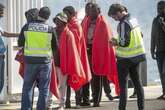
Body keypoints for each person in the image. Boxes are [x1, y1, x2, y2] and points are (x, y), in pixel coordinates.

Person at [18, 7, 58, 110]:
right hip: (45, 62)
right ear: (48, 17)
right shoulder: (50, 29)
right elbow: (55, 47)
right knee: (44, 88)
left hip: (30, 62)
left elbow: (20, 43)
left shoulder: (27, 27)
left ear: (38, 13)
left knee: (27, 87)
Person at [108, 4, 146, 110]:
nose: (114, 19)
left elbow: (124, 42)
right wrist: (119, 38)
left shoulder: (123, 23)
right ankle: (141, 107)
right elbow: (140, 35)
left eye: (114, 16)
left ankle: (122, 108)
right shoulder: (133, 19)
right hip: (137, 56)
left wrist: (115, 42)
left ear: (119, 12)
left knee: (123, 86)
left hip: (125, 58)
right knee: (138, 84)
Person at [82, 3, 119, 107]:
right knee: (90, 77)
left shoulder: (103, 23)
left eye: (93, 11)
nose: (91, 13)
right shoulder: (86, 22)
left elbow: (106, 40)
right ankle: (88, 98)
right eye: (90, 11)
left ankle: (96, 100)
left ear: (99, 11)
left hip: (99, 54)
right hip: (88, 53)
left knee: (97, 77)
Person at [53, 12, 86, 110]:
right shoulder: (53, 31)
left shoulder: (68, 34)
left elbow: (72, 52)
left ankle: (61, 104)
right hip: (52, 62)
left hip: (63, 63)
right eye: (56, 20)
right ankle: (48, 104)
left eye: (59, 20)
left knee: (62, 86)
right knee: (52, 84)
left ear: (64, 22)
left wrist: (69, 65)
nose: (57, 22)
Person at [63, 6, 91, 108]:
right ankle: (67, 102)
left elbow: (75, 42)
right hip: (68, 56)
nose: (65, 16)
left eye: (66, 14)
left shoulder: (75, 25)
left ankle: (78, 102)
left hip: (76, 57)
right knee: (67, 81)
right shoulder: (67, 25)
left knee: (76, 79)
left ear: (71, 14)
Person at [0, 3, 19, 93]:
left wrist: (19, 34)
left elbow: (5, 33)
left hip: (1, 57)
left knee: (1, 82)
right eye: (1, 11)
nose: (3, 14)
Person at [151, 1, 165, 100]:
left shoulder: (160, 21)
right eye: (158, 8)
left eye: (161, 8)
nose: (159, 10)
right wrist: (152, 50)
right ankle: (164, 92)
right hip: (159, 51)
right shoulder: (155, 20)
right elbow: (153, 36)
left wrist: (163, 24)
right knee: (161, 73)